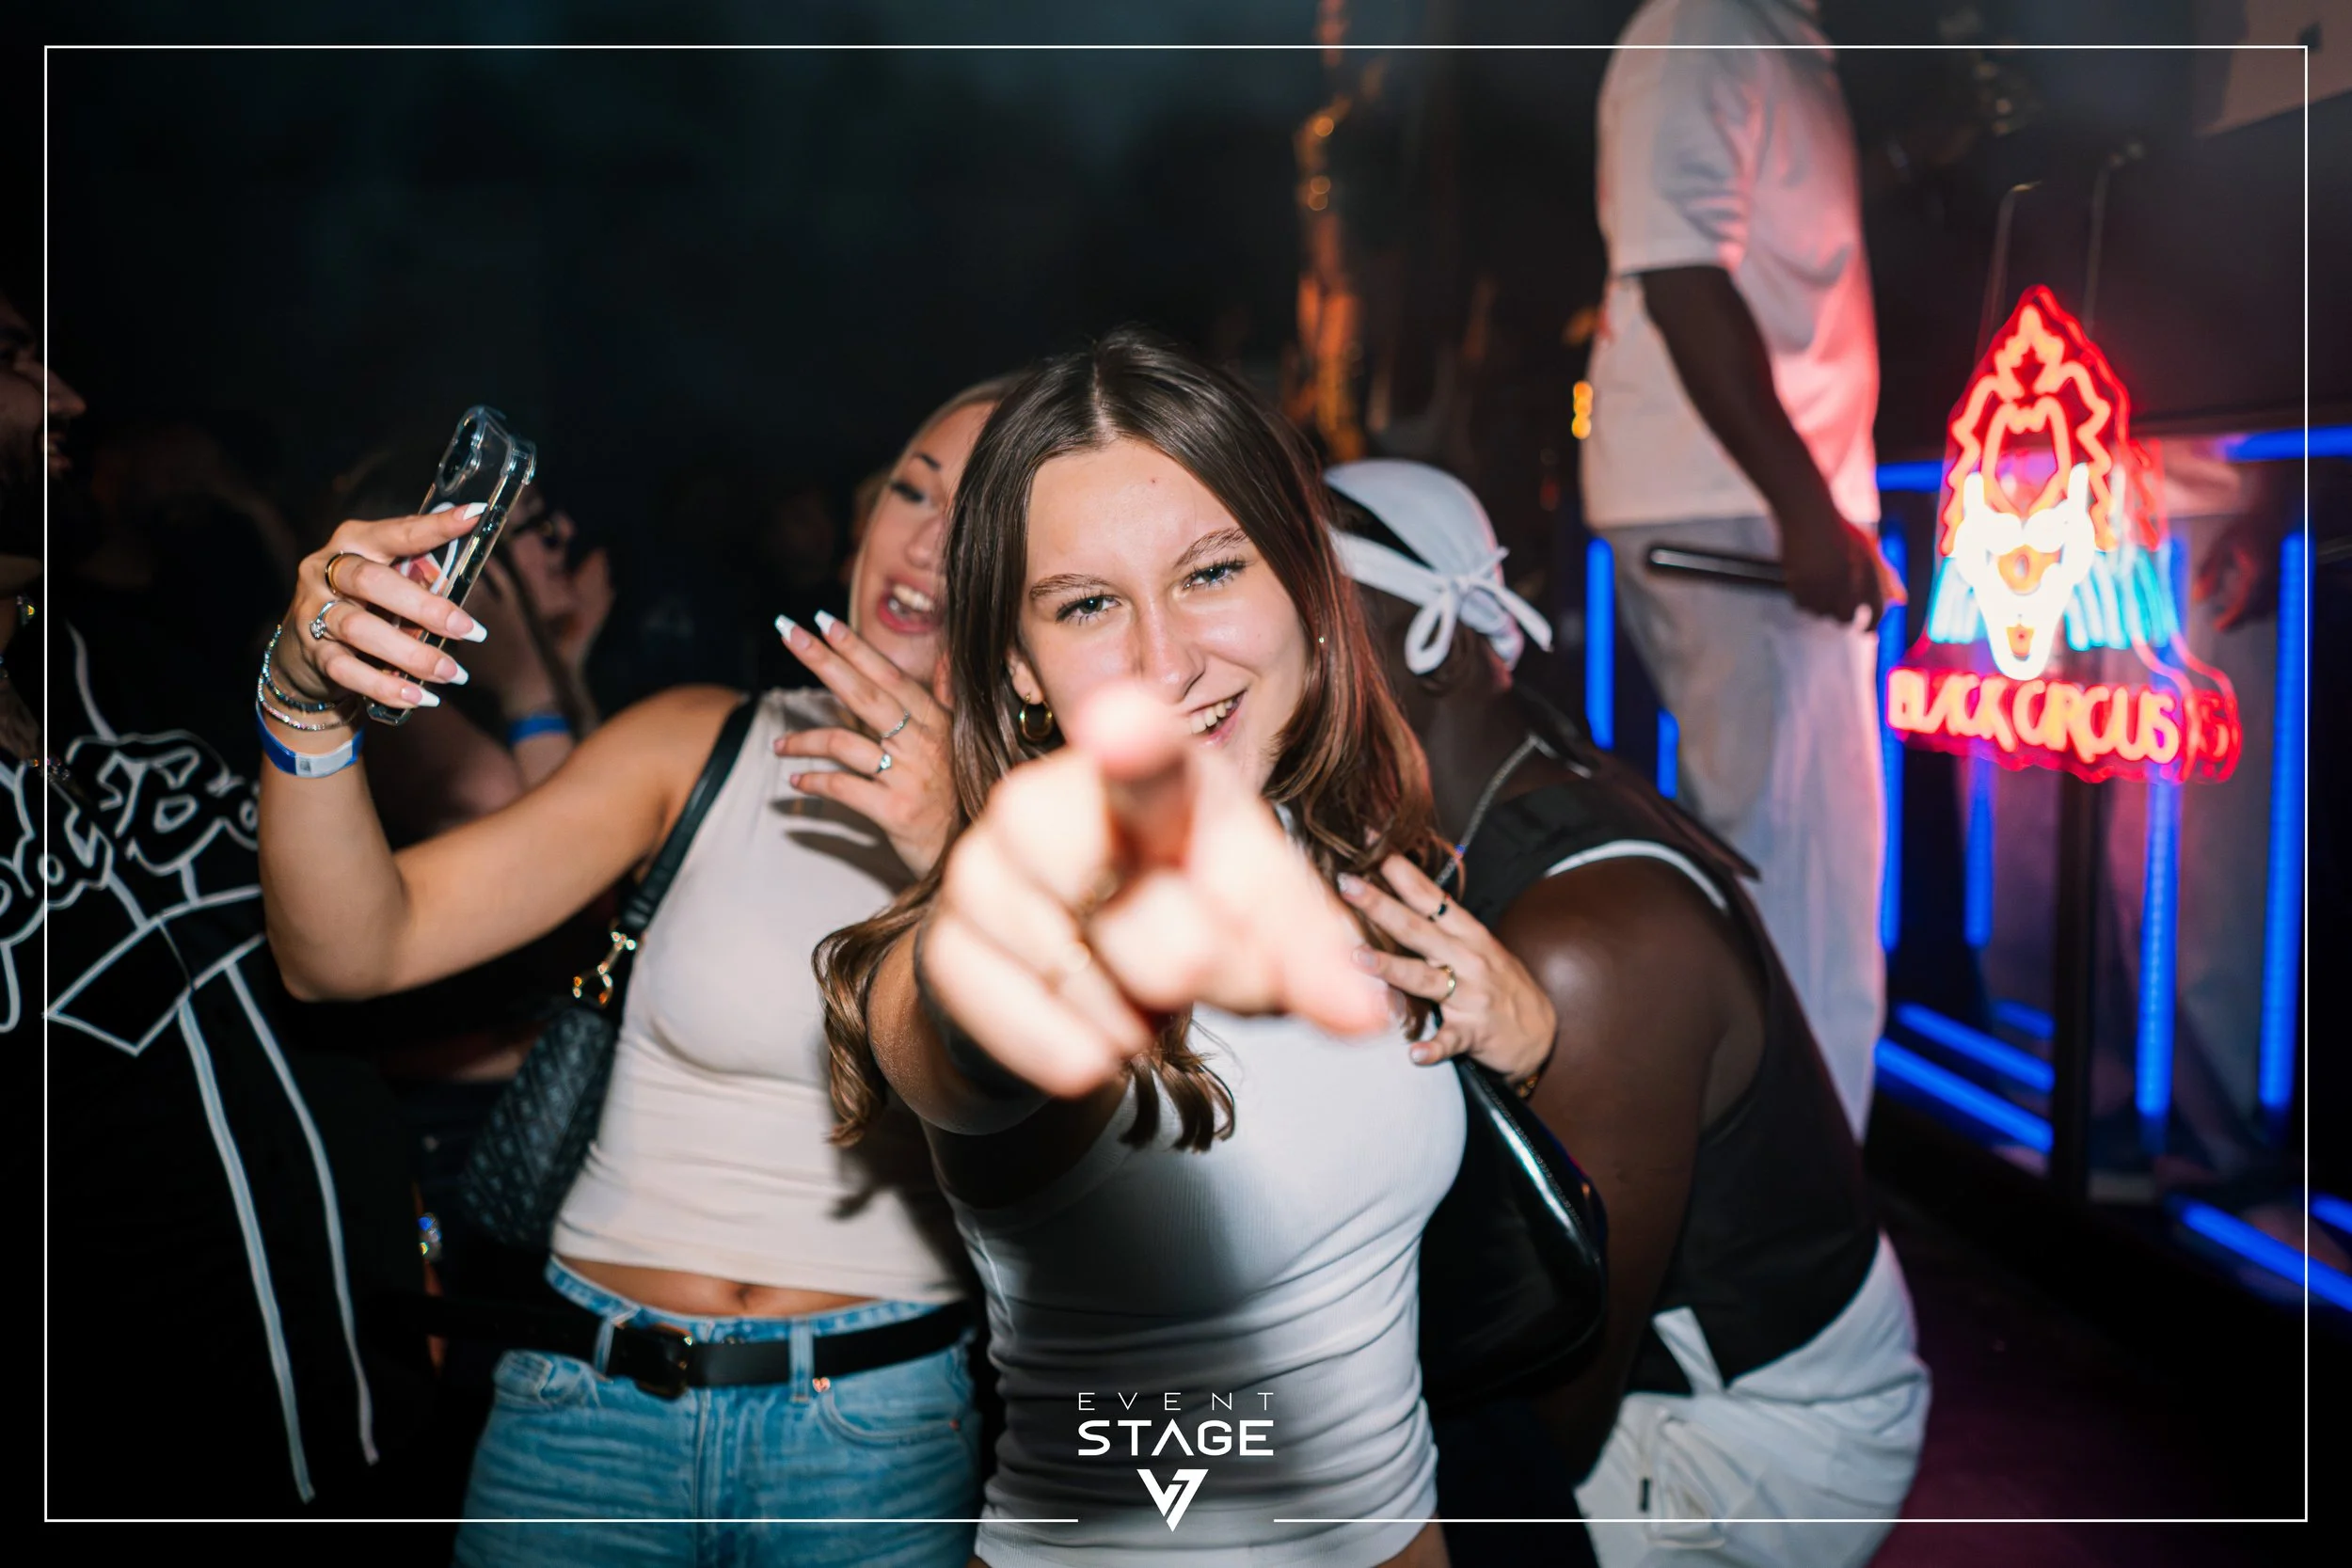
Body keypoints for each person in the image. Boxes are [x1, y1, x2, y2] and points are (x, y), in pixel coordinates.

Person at [253, 374, 1015, 1567]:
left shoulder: (1059, 828)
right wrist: (302, 702)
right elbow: (344, 952)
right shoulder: (701, 736)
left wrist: (957, 850)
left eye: (978, 516)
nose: (924, 541)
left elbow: (1069, 1136)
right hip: (584, 1406)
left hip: (874, 1433)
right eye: (911, 491)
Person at [818, 329, 1546, 1568]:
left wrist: (1522, 1041)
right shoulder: (1037, 926)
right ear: (1019, 666)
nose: (1168, 659)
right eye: (1089, 604)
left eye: (1210, 571)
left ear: (1304, 580)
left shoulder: (1341, 842)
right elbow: (946, 1021)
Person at [1327, 459, 1929, 1568]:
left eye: (1309, 618)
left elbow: (1549, 1411)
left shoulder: (1589, 944)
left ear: (1439, 649)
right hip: (1630, 1379)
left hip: (1749, 1434)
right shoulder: (1458, 803)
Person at [6, 287, 437, 1518]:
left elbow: (356, 944)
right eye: (13, 358)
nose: (67, 397)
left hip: (386, 1423)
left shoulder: (143, 664)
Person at [1584, 0, 1900, 1134]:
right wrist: (1803, 509)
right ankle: (1797, 1209)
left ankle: (1793, 1191)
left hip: (1747, 505)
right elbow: (1680, 274)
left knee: (1810, 883)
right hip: (1732, 511)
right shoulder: (1704, 22)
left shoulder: (1755, 28)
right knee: (1801, 895)